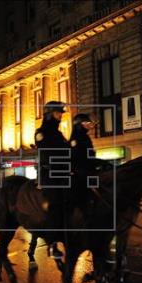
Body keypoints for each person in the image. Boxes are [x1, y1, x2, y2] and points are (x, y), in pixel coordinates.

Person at [35, 101, 70, 258]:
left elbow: (68, 151)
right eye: (58, 113)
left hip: (63, 173)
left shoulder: (59, 134)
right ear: (49, 114)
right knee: (55, 204)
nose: (60, 116)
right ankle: (52, 243)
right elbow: (48, 153)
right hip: (49, 174)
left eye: (61, 113)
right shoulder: (41, 132)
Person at [69, 113, 98, 213]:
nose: (88, 125)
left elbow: (90, 155)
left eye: (88, 123)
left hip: (89, 171)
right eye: (86, 123)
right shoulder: (75, 139)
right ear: (79, 125)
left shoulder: (86, 138)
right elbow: (76, 157)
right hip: (80, 174)